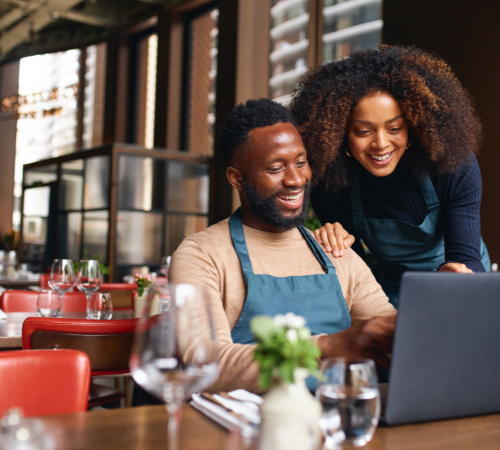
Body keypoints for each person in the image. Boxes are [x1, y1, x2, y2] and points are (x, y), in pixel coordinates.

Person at [169, 98, 396, 394]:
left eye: (301, 162)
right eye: (276, 168)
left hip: (338, 421)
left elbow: (388, 331)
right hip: (244, 431)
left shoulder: (335, 249)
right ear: (237, 178)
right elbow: (203, 362)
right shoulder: (202, 255)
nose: (296, 179)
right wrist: (327, 346)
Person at [290, 45, 490, 308]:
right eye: (363, 131)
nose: (381, 144)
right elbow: (356, 273)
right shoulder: (331, 182)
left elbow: (466, 258)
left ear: (413, 126)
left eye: (395, 128)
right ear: (340, 135)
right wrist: (333, 244)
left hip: (459, 282)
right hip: (391, 290)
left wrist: (458, 276)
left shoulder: (452, 165)